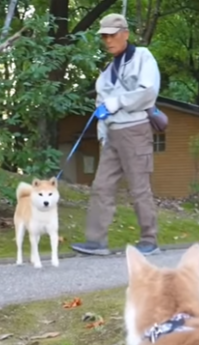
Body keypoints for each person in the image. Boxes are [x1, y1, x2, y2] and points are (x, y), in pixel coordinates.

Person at [70, 13, 162, 257]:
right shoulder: (106, 74)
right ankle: (96, 241)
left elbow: (148, 91)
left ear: (125, 34)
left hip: (135, 130)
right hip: (112, 135)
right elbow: (101, 109)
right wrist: (102, 136)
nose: (108, 40)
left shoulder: (143, 57)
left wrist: (117, 102)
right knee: (101, 186)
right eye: (104, 36)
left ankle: (149, 240)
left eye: (112, 35)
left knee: (139, 187)